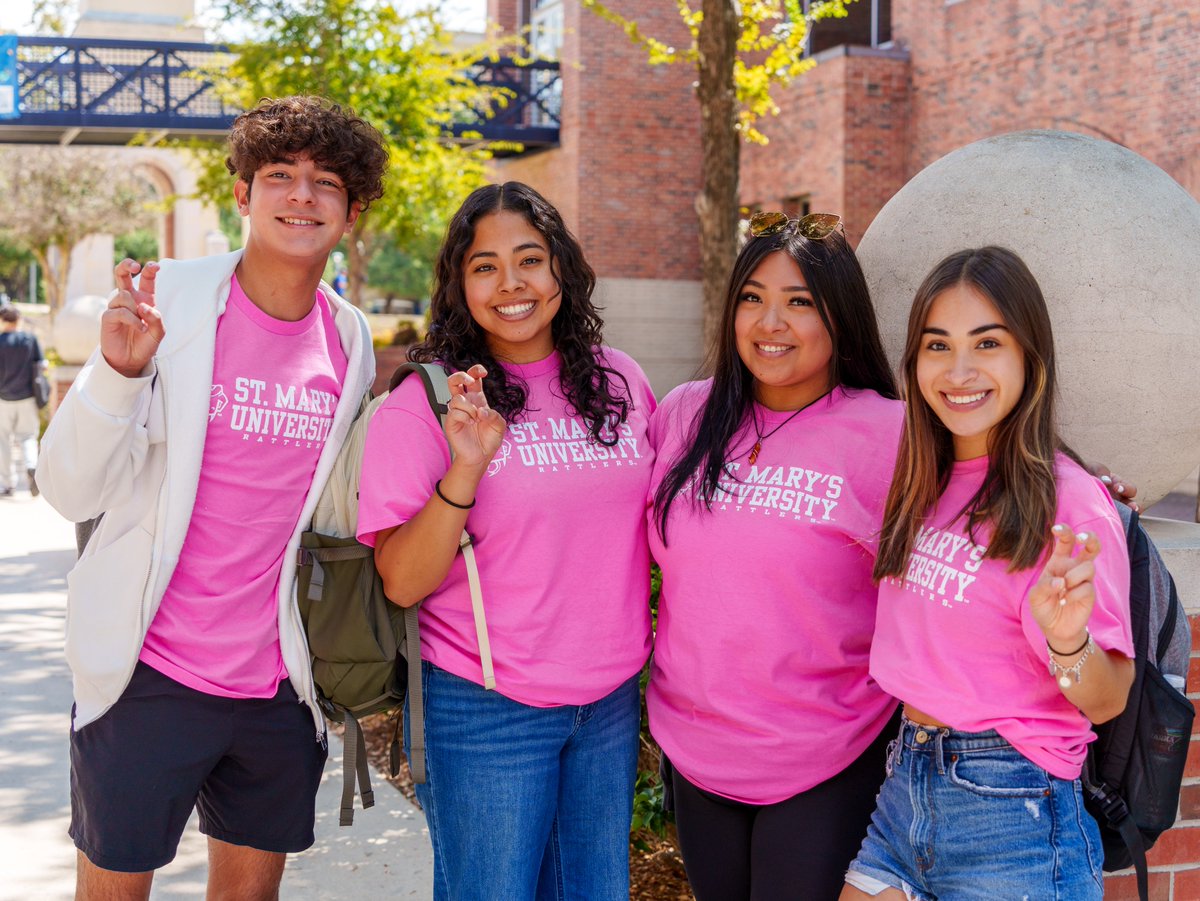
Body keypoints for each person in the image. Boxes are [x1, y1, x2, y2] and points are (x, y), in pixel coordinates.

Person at [36, 95, 388, 900]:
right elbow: (68, 485)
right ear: (242, 194)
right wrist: (119, 377)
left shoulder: (350, 336)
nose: (302, 195)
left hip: (275, 688)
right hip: (148, 673)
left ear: (352, 207)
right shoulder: (172, 300)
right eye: (280, 176)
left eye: (326, 182)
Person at [356, 181, 656, 900]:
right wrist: (466, 466)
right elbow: (400, 580)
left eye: (530, 258)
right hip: (488, 708)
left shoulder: (621, 381)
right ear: (460, 282)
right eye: (485, 265)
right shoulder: (429, 400)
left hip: (609, 705)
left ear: (562, 270)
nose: (512, 283)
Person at [842, 246, 1135, 900]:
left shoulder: (1069, 500)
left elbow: (1109, 695)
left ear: (1030, 357)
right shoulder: (924, 480)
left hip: (1012, 807)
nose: (960, 369)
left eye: (987, 343)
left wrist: (1066, 639)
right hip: (905, 783)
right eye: (938, 345)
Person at [645, 211, 904, 900]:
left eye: (799, 302)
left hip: (827, 752)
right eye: (753, 297)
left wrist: (1096, 497)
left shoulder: (889, 432)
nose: (770, 322)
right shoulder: (685, 414)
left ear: (840, 316)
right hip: (695, 748)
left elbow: (982, 499)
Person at [0, 304, 45, 497]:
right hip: (27, 397)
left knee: (3, 441)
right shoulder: (30, 339)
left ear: (3, 320)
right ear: (18, 320)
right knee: (27, 436)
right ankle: (31, 466)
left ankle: (7, 484)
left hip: (3, 398)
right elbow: (41, 365)